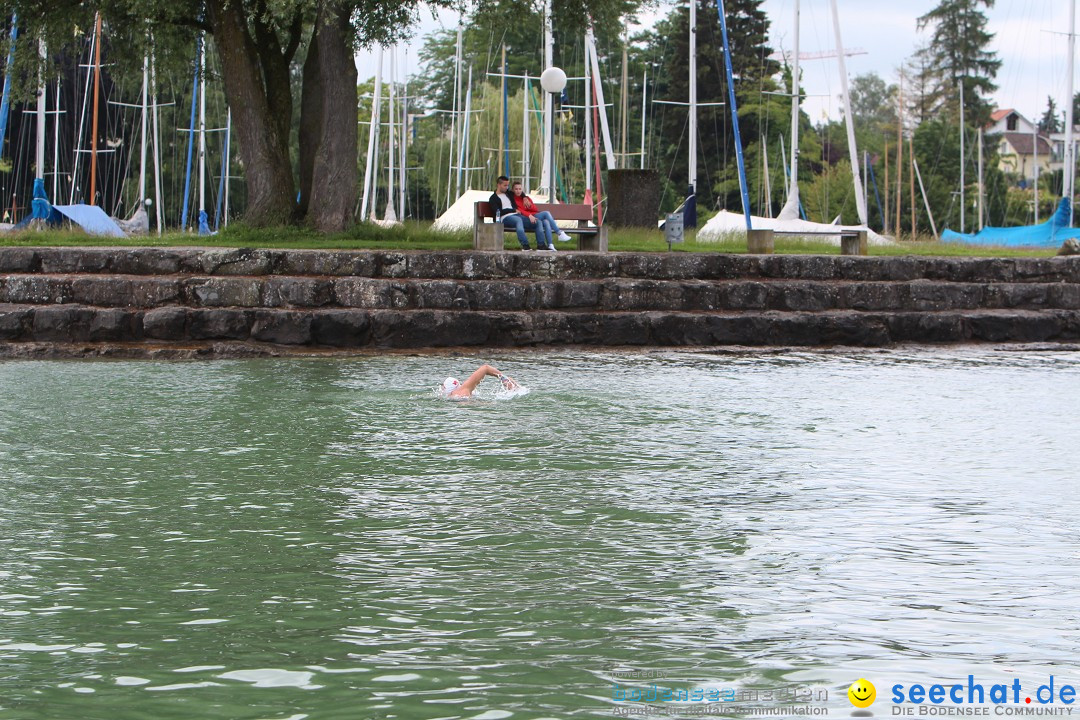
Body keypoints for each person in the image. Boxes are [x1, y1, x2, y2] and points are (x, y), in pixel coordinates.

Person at [489, 176, 553, 251]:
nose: (507, 187)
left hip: (517, 215)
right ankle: (525, 246)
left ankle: (541, 245)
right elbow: (497, 212)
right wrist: (512, 210)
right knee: (518, 220)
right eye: (505, 185)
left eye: (507, 185)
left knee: (537, 221)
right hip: (505, 218)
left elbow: (520, 192)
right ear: (499, 185)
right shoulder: (493, 198)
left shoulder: (508, 194)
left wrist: (524, 197)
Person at [440, 364, 519, 399]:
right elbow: (486, 368)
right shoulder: (465, 389)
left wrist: (504, 380)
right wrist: (504, 378)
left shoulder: (457, 393)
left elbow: (485, 368)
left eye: (443, 387)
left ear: (448, 389)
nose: (442, 389)